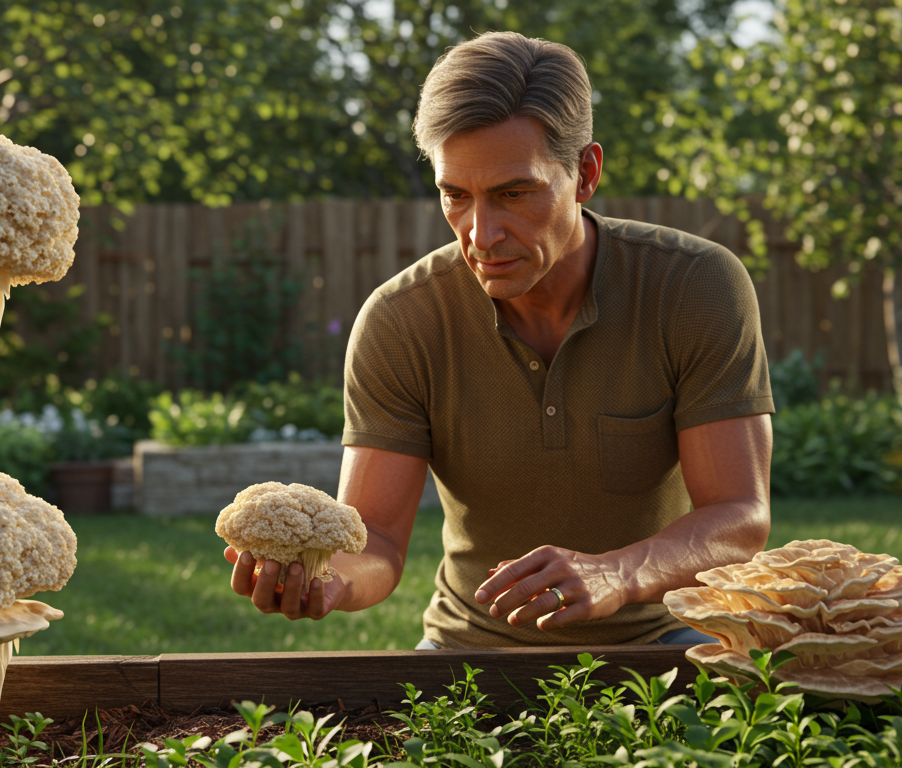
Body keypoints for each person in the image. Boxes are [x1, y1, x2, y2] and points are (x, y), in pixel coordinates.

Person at [223, 31, 774, 649]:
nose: (481, 234)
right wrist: (329, 584)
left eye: (514, 194)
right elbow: (373, 540)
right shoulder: (402, 321)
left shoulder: (694, 286)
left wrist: (619, 572)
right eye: (455, 195)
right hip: (468, 649)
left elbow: (738, 516)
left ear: (585, 173)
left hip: (666, 637)